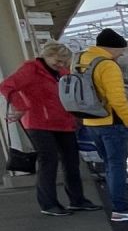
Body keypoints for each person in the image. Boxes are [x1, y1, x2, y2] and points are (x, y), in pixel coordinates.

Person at [0, 41, 96, 216]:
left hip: (63, 123)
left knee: (72, 161)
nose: (60, 65)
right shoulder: (31, 69)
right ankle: (49, 204)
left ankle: (78, 200)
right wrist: (20, 107)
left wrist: (76, 117)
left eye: (64, 62)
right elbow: (6, 86)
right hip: (39, 123)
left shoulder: (62, 72)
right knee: (48, 161)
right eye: (57, 61)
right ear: (47, 55)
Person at [78, 29, 128, 222]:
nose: (122, 54)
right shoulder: (108, 65)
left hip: (90, 122)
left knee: (110, 165)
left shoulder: (81, 61)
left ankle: (120, 205)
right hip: (111, 123)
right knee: (117, 166)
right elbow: (117, 99)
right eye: (120, 50)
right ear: (111, 48)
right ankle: (121, 208)